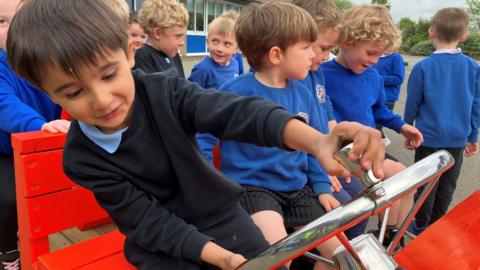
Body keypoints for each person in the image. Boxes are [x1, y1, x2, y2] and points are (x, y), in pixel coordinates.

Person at [7, 0, 387, 269]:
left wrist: (317, 140)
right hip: (158, 245)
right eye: (73, 92)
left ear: (128, 53)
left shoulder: (165, 92)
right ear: (45, 89)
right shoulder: (82, 157)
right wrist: (218, 257)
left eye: (109, 74)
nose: (102, 100)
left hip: (221, 216)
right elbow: (145, 221)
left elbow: (239, 114)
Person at [198, 2, 352, 269]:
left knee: (340, 253)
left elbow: (318, 146)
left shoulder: (304, 93)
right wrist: (213, 187)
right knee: (278, 256)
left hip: (299, 187)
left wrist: (322, 187)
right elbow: (202, 141)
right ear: (276, 54)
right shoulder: (234, 92)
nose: (314, 54)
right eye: (306, 47)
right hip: (254, 188)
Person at [321, 4, 424, 248]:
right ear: (347, 41)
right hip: (342, 151)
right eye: (370, 52)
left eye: (380, 55)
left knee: (407, 179)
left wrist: (402, 126)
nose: (374, 60)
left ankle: (391, 236)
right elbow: (325, 119)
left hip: (369, 147)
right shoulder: (322, 74)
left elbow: (378, 110)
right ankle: (381, 241)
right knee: (387, 183)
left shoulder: (373, 76)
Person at [0, 0, 69, 269]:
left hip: (43, 143)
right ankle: (7, 253)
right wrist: (38, 124)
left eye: (17, 19)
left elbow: (66, 95)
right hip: (6, 149)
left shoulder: (47, 61)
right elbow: (4, 103)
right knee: (7, 198)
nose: (11, 28)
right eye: (1, 21)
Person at [292, 0, 368, 240]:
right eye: (323, 48)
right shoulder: (291, 77)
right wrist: (323, 168)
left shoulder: (317, 72)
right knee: (348, 212)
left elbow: (328, 117)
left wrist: (340, 157)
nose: (326, 57)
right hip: (302, 168)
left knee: (362, 199)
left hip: (320, 158)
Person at [405, 7, 480, 235]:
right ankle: (437, 225)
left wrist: (408, 130)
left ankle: (420, 224)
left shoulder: (422, 68)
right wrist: (473, 136)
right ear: (464, 34)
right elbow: (476, 105)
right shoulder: (472, 67)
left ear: (431, 32)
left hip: (427, 137)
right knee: (448, 184)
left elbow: (412, 103)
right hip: (457, 137)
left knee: (426, 183)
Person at [134, 0, 187, 78]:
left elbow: (183, 85)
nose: (182, 43)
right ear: (157, 33)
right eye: (178, 36)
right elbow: (151, 88)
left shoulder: (175, 55)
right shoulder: (143, 56)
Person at [188, 11, 239, 89]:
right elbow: (189, 96)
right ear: (207, 42)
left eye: (227, 44)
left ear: (236, 48)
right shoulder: (202, 69)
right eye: (215, 41)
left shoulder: (235, 64)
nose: (220, 49)